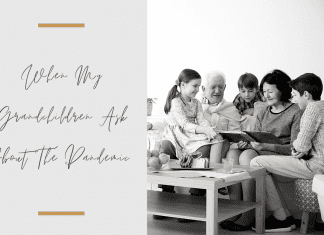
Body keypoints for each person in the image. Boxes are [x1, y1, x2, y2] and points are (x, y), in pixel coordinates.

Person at [225, 69, 302, 229]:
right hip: (261, 150)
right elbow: (256, 137)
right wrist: (246, 142)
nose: (266, 95)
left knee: (247, 157)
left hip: (281, 155)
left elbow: (295, 148)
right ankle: (236, 210)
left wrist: (265, 146)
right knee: (233, 153)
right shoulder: (264, 111)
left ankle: (249, 213)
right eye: (264, 91)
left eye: (270, 91)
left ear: (282, 90)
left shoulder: (296, 112)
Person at [251, 73, 324, 233]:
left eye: (296, 95)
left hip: (315, 165)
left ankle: (281, 218)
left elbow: (301, 144)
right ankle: (282, 216)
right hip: (316, 161)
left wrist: (298, 149)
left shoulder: (311, 108)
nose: (294, 99)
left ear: (306, 94)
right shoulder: (322, 106)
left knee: (256, 163)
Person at [155, 69, 224, 221]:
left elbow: (202, 120)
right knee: (165, 149)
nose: (197, 90)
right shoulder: (175, 102)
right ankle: (166, 197)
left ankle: (196, 197)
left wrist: (208, 129)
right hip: (176, 136)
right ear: (183, 85)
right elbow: (184, 124)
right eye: (194, 86)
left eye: (199, 86)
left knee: (206, 147)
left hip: (190, 136)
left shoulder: (197, 103)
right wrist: (203, 130)